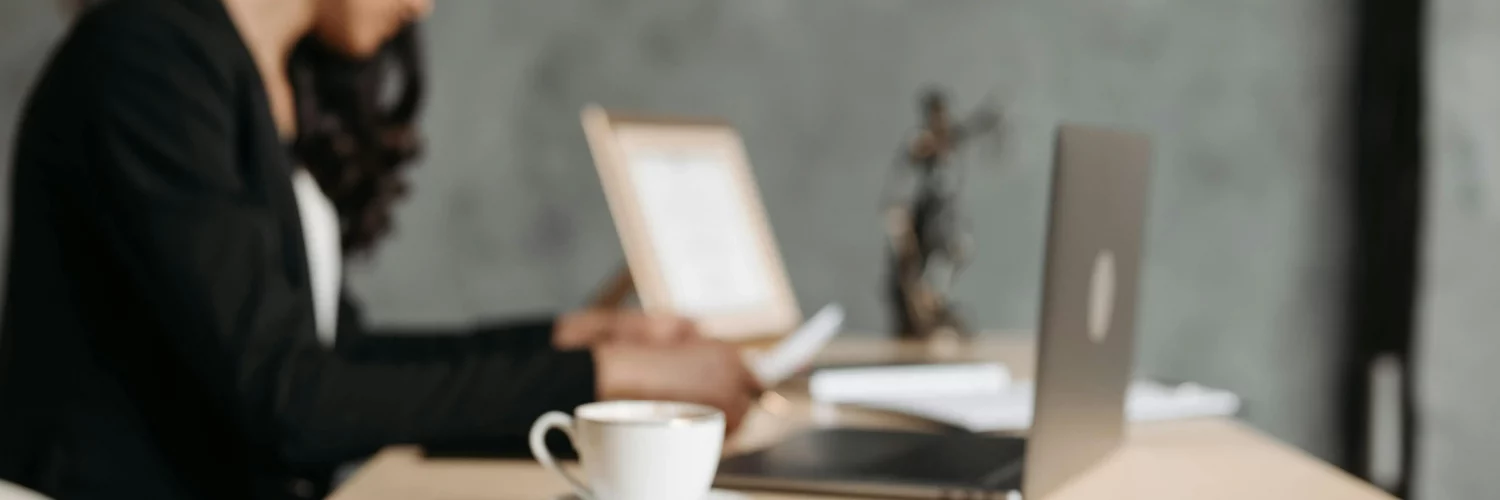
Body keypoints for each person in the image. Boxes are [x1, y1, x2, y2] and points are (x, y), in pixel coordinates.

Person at [0, 0, 762, 499]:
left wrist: (568, 339)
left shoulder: (266, 73)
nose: (424, 5)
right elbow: (289, 399)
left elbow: (333, 353)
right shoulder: (146, 61)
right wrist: (605, 377)